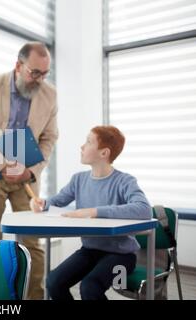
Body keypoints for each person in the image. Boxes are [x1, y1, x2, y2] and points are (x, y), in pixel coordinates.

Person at [0, 42, 58, 299]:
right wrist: (2, 165)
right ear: (18, 66)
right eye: (34, 73)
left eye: (45, 73)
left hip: (26, 177)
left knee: (32, 243)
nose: (39, 79)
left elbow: (49, 138)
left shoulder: (50, 95)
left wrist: (29, 171)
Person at [30, 125, 152, 300]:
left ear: (104, 153)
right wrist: (42, 203)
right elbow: (56, 201)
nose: (82, 146)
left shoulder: (125, 181)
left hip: (122, 256)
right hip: (89, 250)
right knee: (53, 281)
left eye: (88, 142)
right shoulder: (79, 180)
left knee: (89, 287)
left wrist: (94, 211)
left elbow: (144, 209)